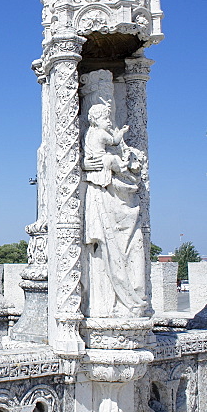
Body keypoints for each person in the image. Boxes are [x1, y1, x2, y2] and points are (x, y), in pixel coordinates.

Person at [83, 103, 147, 316]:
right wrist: (121, 133)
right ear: (97, 119)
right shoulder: (101, 134)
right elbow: (115, 141)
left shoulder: (90, 134)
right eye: (106, 118)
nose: (109, 121)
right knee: (114, 160)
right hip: (103, 176)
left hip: (104, 182)